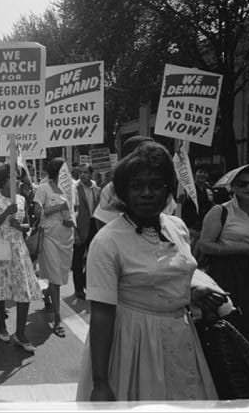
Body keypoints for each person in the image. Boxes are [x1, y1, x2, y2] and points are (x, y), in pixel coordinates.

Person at [76, 142, 224, 402]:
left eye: (156, 185)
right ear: (124, 191)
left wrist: (190, 292)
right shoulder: (107, 241)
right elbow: (101, 314)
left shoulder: (177, 227)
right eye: (137, 186)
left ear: (168, 189)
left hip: (181, 338)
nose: (146, 193)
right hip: (134, 345)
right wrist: (100, 382)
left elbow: (169, 275)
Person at [0, 164, 42, 353]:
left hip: (18, 250)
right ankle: (2, 325)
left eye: (17, 177)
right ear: (3, 180)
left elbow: (29, 227)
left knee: (24, 291)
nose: (16, 180)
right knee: (0, 291)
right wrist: (6, 214)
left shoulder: (22, 199)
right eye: (12, 177)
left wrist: (21, 227)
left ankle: (21, 334)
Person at [197, 163, 249, 347]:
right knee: (236, 324)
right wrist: (243, 249)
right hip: (231, 274)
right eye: (242, 184)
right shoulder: (221, 211)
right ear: (233, 187)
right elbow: (205, 245)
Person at [34, 158, 75, 338]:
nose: (67, 173)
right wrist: (59, 206)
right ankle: (58, 319)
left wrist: (70, 219)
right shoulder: (43, 188)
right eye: (63, 170)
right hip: (49, 237)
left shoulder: (71, 188)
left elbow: (75, 210)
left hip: (66, 238)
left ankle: (47, 292)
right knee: (56, 280)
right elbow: (37, 213)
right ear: (56, 172)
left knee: (58, 277)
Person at [71, 163, 101, 300]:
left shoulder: (96, 188)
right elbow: (71, 211)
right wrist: (74, 231)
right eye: (80, 172)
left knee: (93, 258)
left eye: (85, 172)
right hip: (79, 227)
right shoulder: (74, 188)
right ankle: (78, 289)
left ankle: (85, 280)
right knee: (77, 259)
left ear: (91, 174)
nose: (82, 175)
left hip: (94, 226)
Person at [180, 166, 214, 249]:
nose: (202, 174)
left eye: (205, 172)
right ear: (195, 174)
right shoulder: (187, 189)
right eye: (200, 171)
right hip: (190, 229)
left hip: (203, 229)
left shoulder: (208, 191)